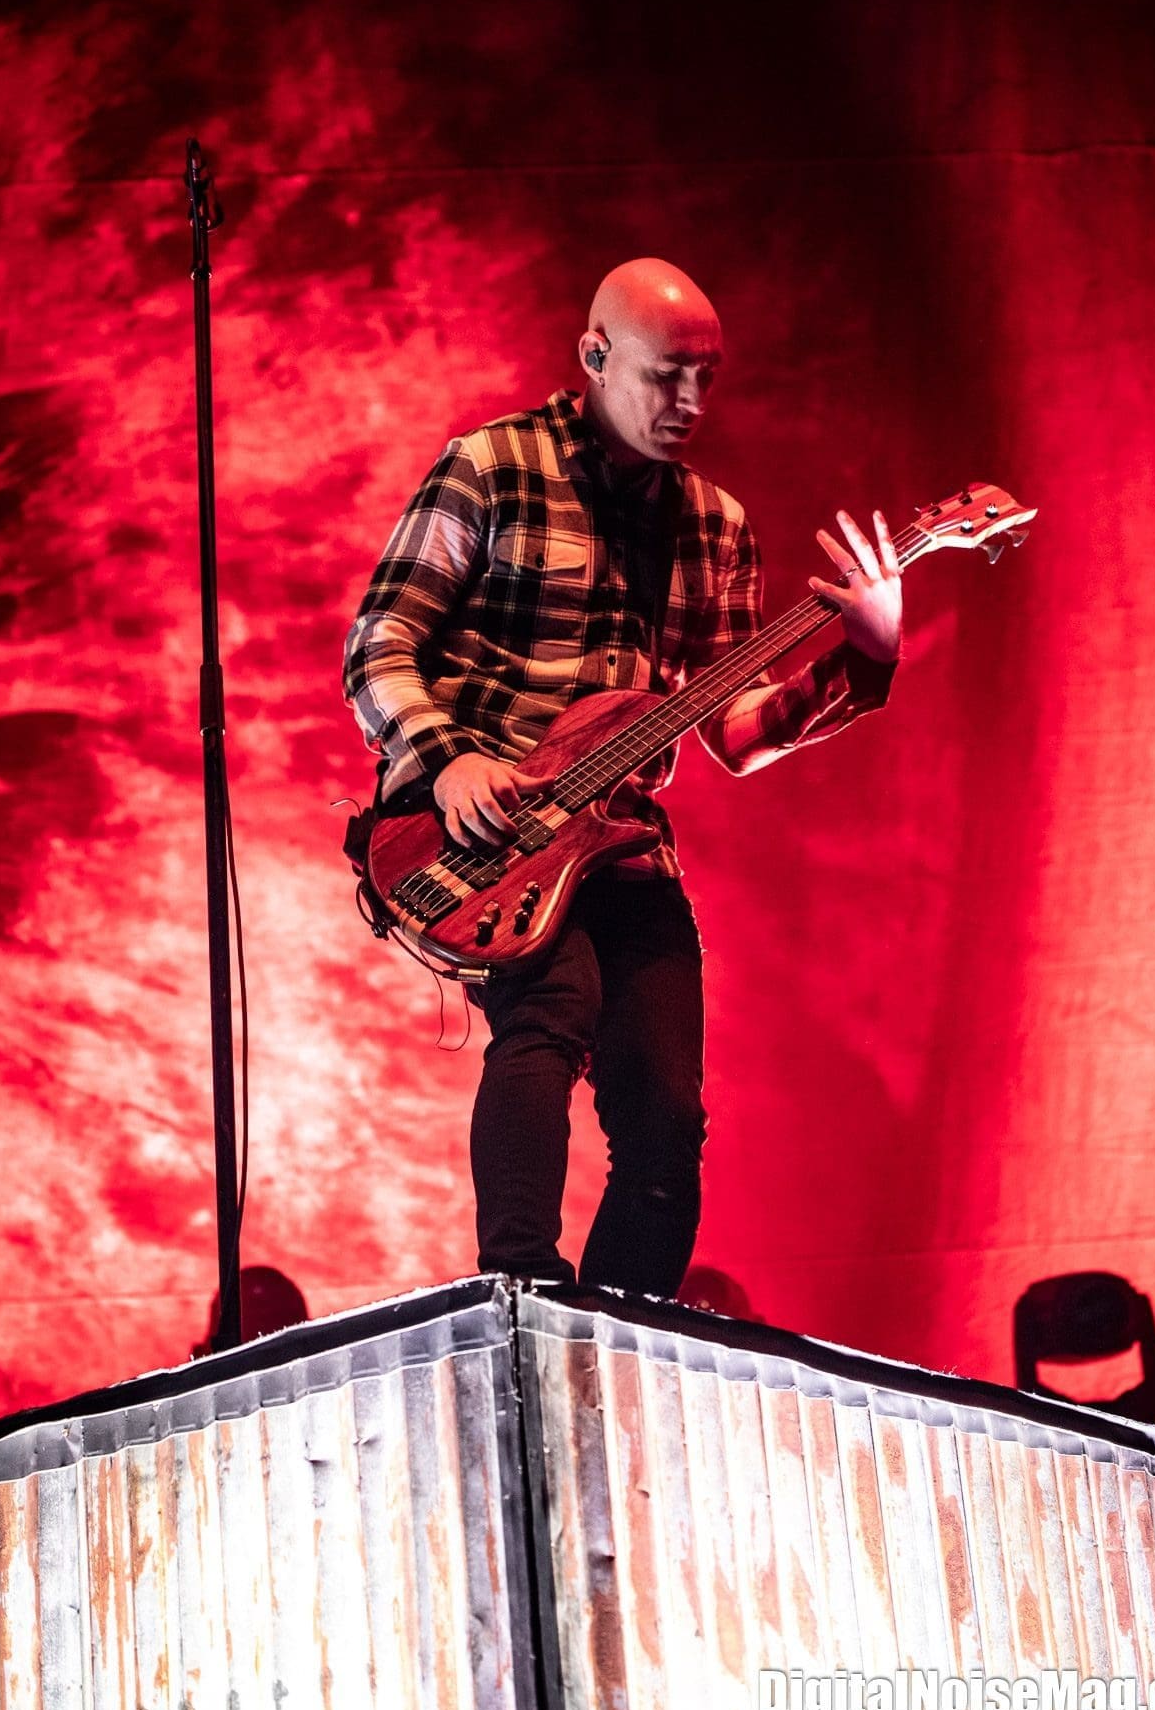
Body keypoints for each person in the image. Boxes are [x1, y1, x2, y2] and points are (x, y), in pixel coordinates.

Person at [343, 258, 902, 1294]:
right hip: (488, 827)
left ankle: (616, 1328)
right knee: (549, 1011)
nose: (688, 401)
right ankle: (521, 1296)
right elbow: (379, 644)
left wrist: (864, 656)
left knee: (666, 1114)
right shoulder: (490, 467)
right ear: (594, 356)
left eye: (705, 377)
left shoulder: (715, 525)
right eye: (664, 374)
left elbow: (735, 730)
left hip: (618, 840)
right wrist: (449, 759)